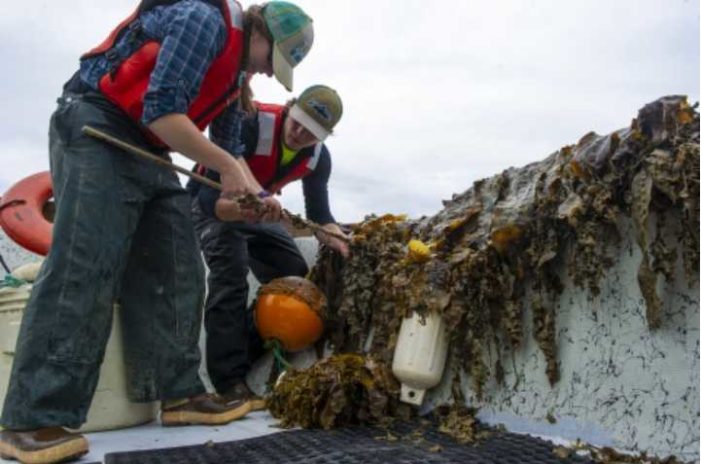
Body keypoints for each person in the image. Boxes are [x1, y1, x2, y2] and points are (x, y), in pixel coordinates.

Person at [0, 1, 314, 462]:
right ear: (259, 32)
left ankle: (180, 393)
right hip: (96, 123)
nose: (268, 73)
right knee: (87, 262)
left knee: (179, 263)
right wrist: (231, 166)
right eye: (272, 60)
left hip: (148, 149)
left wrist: (255, 206)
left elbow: (217, 194)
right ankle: (31, 416)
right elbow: (162, 110)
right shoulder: (202, 20)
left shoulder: (235, 85)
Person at [188, 84, 348, 409]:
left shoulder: (319, 159)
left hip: (259, 216)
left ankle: (241, 354)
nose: (301, 133)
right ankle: (227, 382)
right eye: (298, 121)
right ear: (290, 107)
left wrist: (337, 238)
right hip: (213, 206)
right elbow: (207, 202)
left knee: (295, 278)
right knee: (230, 273)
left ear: (325, 137)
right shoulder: (251, 121)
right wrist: (249, 206)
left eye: (313, 131)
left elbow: (320, 215)